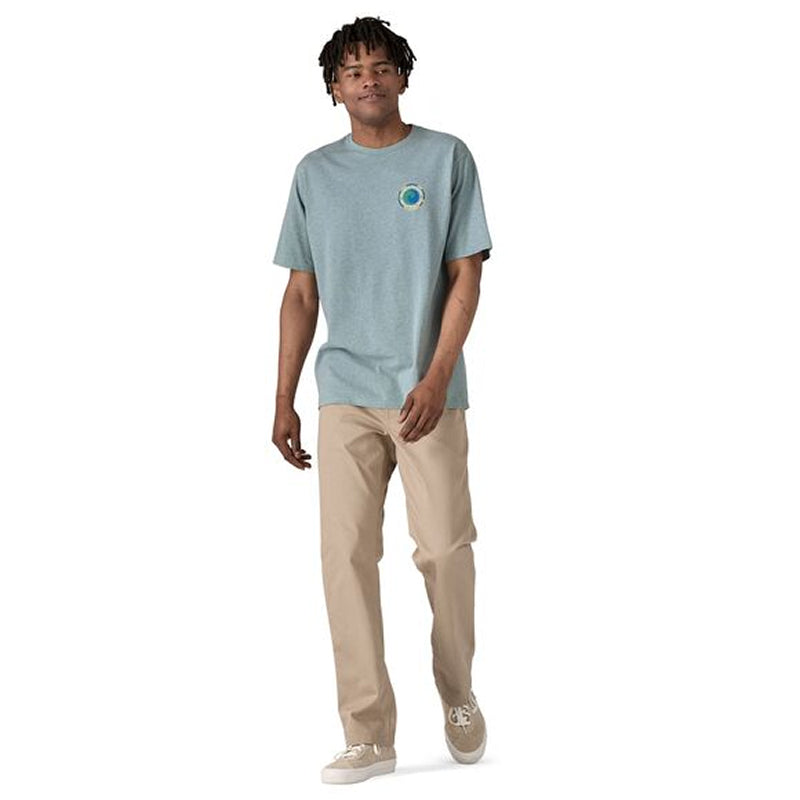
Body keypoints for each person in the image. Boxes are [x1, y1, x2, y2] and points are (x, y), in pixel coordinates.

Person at [271, 15, 492, 785]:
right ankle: (368, 733)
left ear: (402, 75)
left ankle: (458, 693)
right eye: (351, 71)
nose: (367, 79)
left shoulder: (445, 158)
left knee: (445, 550)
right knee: (344, 559)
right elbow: (301, 293)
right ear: (333, 88)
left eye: (379, 66)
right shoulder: (313, 174)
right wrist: (284, 398)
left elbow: (467, 275)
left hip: (427, 391)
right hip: (344, 394)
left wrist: (435, 375)